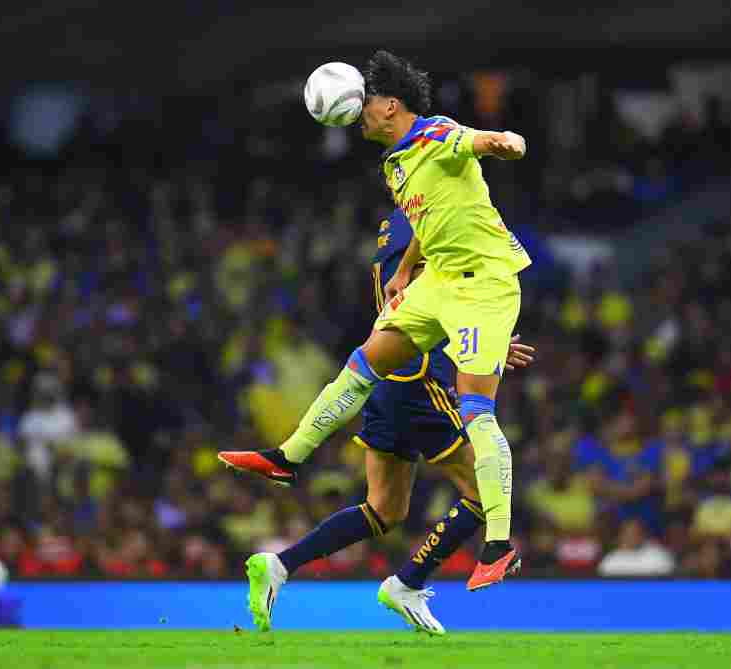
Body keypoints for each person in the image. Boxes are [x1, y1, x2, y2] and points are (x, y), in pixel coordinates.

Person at [219, 49, 532, 590]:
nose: (360, 114)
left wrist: (505, 142)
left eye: (367, 105)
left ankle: (499, 545)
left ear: (391, 105)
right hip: (438, 284)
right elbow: (428, 220)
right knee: (364, 361)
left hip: (483, 283)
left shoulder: (436, 134)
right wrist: (406, 270)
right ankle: (287, 457)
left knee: (477, 411)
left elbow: (481, 140)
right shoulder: (395, 164)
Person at [240, 209, 535, 634]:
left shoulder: (394, 225)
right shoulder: (441, 212)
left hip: (387, 376)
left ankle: (280, 566)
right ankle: (408, 583)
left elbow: (417, 293)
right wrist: (480, 339)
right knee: (482, 492)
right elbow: (431, 289)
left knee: (384, 509)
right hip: (420, 376)